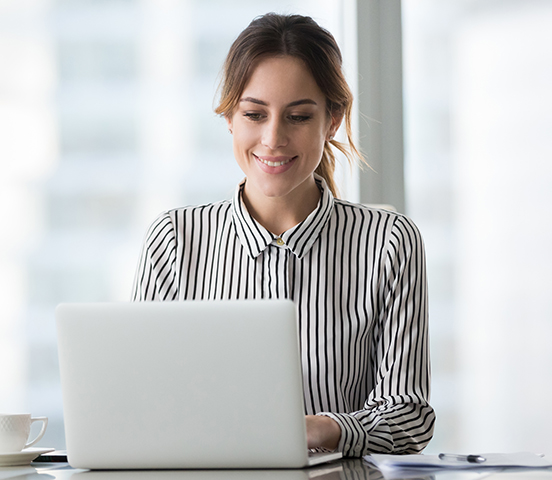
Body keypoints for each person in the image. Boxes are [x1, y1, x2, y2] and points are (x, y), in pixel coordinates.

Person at [132, 13, 435, 457]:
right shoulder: (174, 239)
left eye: (297, 116)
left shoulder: (389, 242)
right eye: (254, 114)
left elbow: (408, 416)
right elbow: (141, 402)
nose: (273, 138)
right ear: (230, 119)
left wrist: (325, 429)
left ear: (331, 121)